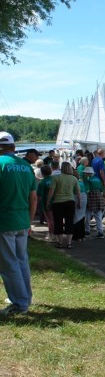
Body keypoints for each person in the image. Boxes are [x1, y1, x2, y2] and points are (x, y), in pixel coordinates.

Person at [0, 132, 37, 315]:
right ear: (13, 147)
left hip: (5, 221)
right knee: (21, 260)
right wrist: (29, 221)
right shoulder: (26, 166)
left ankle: (19, 303)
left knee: (9, 264)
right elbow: (33, 198)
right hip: (22, 220)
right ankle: (25, 297)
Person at [47, 161, 81, 249]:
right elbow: (78, 192)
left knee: (58, 222)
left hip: (58, 202)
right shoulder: (74, 178)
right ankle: (69, 243)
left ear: (61, 168)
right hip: (70, 202)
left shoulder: (56, 178)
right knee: (69, 222)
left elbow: (51, 191)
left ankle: (60, 242)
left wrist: (48, 201)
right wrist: (79, 202)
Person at [83, 167, 105, 239]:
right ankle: (101, 232)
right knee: (98, 216)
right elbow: (101, 189)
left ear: (88, 173)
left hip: (91, 196)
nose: (84, 174)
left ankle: (87, 231)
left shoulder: (87, 179)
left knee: (87, 215)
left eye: (85, 173)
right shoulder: (97, 179)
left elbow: (87, 190)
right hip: (98, 196)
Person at [36, 165, 55, 242]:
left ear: (42, 173)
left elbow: (39, 196)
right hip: (57, 202)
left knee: (50, 220)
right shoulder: (55, 179)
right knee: (56, 219)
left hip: (46, 203)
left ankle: (51, 235)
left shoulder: (42, 183)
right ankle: (56, 235)